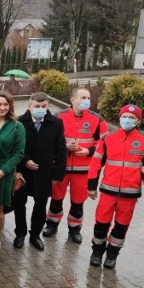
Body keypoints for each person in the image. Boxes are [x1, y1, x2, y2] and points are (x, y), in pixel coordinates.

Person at [87, 104, 144, 269]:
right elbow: (95, 163)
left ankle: (112, 255)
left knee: (121, 227)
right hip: (108, 192)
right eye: (125, 117)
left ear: (138, 121)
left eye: (132, 118)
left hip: (129, 196)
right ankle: (97, 252)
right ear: (119, 117)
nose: (127, 120)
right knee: (101, 224)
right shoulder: (107, 138)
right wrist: (91, 186)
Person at [44, 88, 108, 243]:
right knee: (56, 199)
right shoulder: (58, 116)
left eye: (88, 97)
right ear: (72, 100)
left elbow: (104, 144)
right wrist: (65, 147)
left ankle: (74, 229)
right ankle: (52, 225)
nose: (86, 100)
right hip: (61, 169)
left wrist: (89, 150)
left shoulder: (97, 119)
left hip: (83, 170)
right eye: (82, 97)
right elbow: (48, 139)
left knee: (78, 202)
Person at [12, 92, 66, 251]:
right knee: (19, 204)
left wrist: (58, 174)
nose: (40, 109)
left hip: (45, 173)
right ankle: (20, 233)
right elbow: (14, 147)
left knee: (40, 205)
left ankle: (35, 234)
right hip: (23, 172)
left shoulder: (56, 123)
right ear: (30, 106)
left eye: (44, 106)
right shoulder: (19, 122)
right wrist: (25, 161)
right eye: (37, 106)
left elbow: (61, 150)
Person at [0, 92, 25, 257]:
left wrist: (2, 171)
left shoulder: (17, 126)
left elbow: (19, 153)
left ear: (10, 106)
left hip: (5, 172)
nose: (2, 107)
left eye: (5, 104)